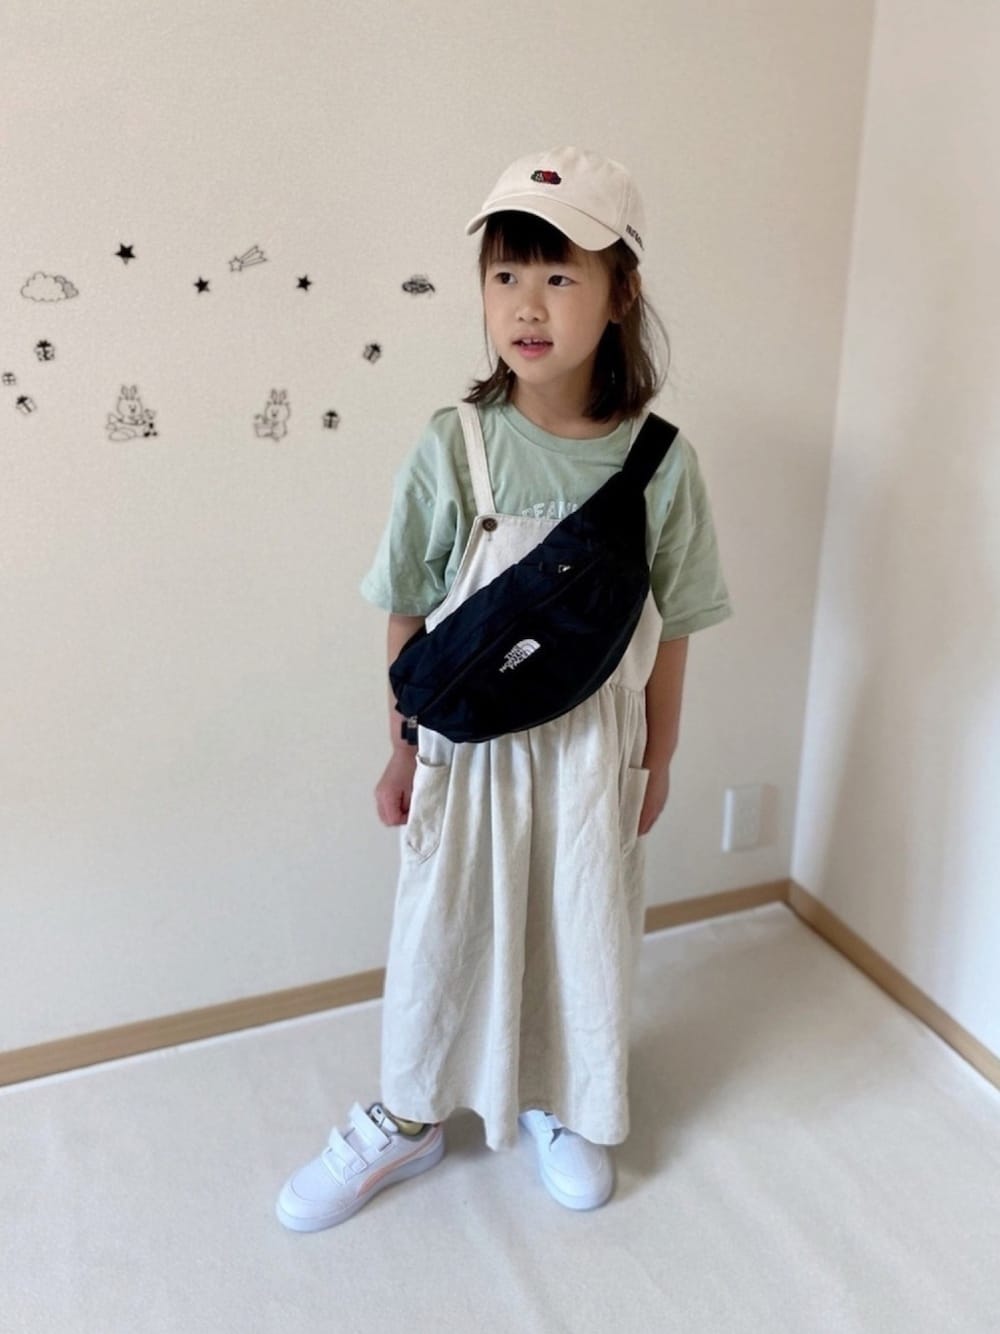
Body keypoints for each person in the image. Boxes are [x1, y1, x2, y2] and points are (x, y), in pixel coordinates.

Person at [276, 147, 732, 1232]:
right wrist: (401, 748)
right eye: (505, 274)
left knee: (582, 923)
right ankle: (410, 1111)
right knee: (443, 926)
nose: (528, 305)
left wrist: (657, 758)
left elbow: (677, 627)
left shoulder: (661, 463)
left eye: (560, 274)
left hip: (592, 751)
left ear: (620, 292)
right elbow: (407, 614)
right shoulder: (458, 445)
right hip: (466, 745)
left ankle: (563, 1098)